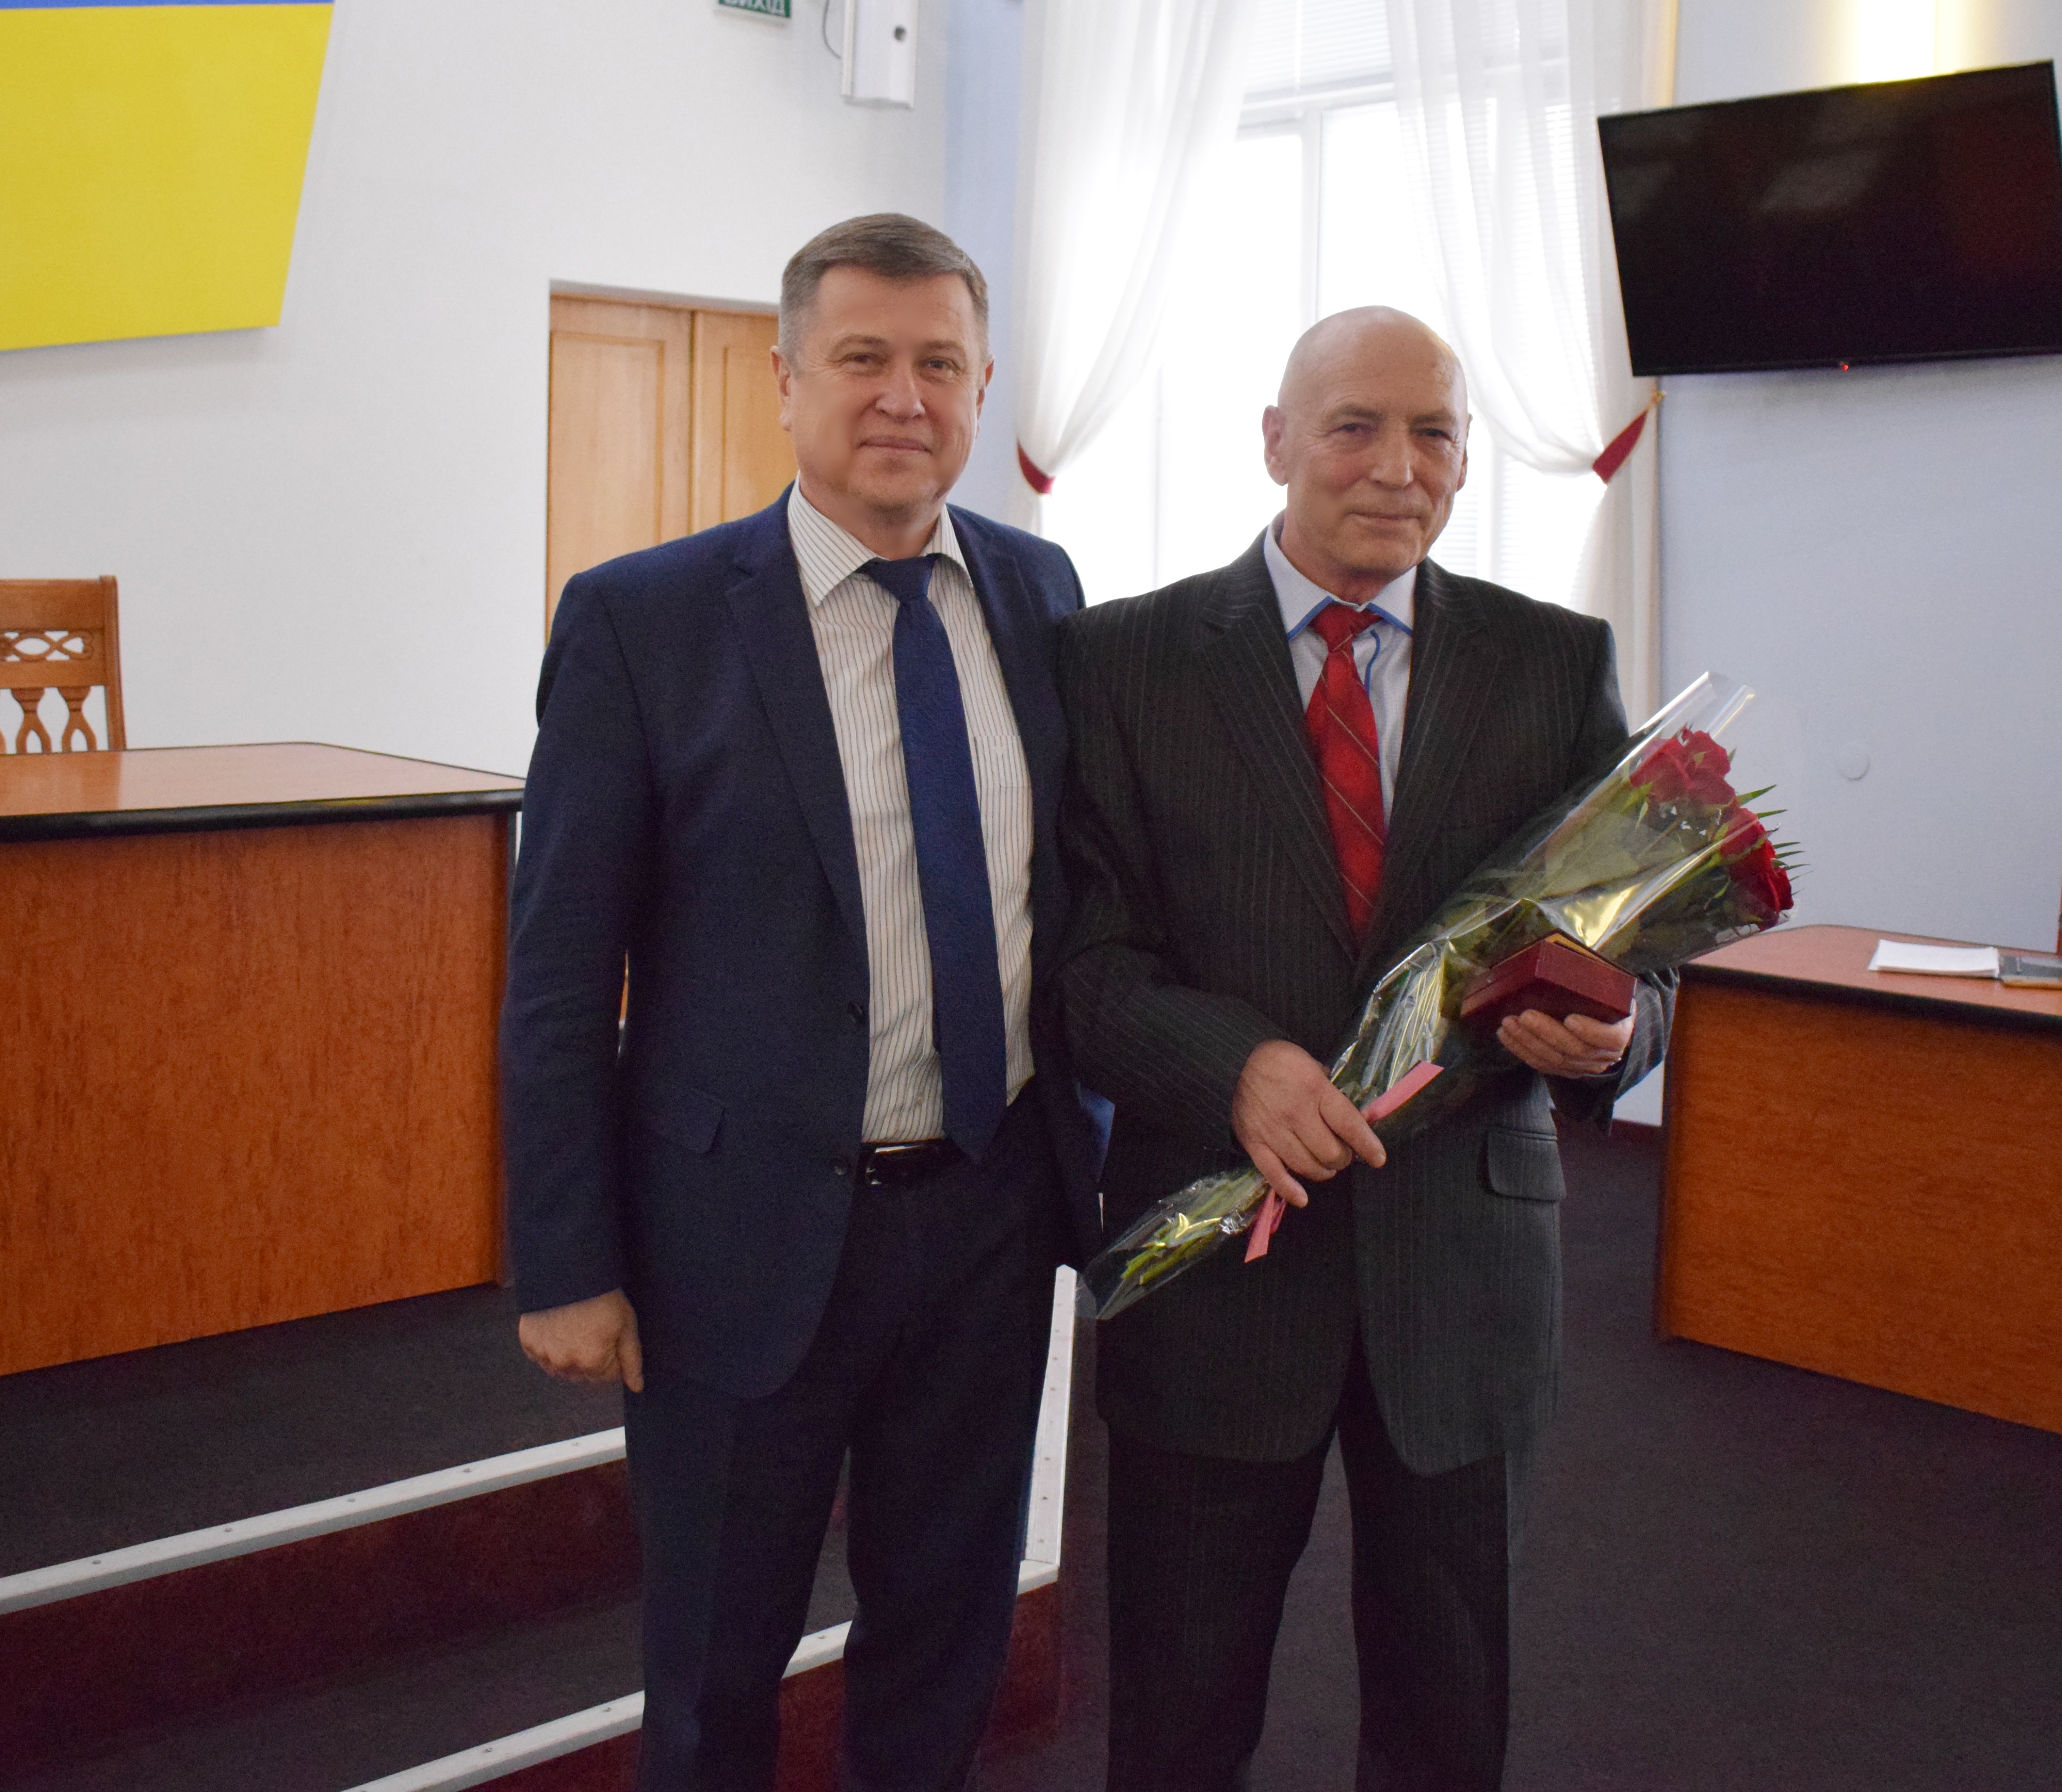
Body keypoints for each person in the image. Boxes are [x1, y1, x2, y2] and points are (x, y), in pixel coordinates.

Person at [501, 214, 1106, 1792]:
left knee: (946, 1636)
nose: (903, 396)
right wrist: (567, 1260)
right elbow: (559, 971)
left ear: (982, 389)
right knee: (715, 1670)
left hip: (986, 1221)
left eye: (940, 363)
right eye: (862, 358)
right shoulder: (643, 621)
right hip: (736, 1239)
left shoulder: (1042, 592)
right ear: (784, 379)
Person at [1056, 307, 1674, 1792]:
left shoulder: (1553, 662)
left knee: (1448, 1718)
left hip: (1460, 1276)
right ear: (1276, 441)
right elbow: (1082, 966)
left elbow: (1640, 947)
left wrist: (1615, 1033)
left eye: (1435, 433)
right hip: (1218, 1275)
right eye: (1355, 428)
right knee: (1180, 1712)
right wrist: (1235, 1068)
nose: (1400, 467)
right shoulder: (1122, 660)